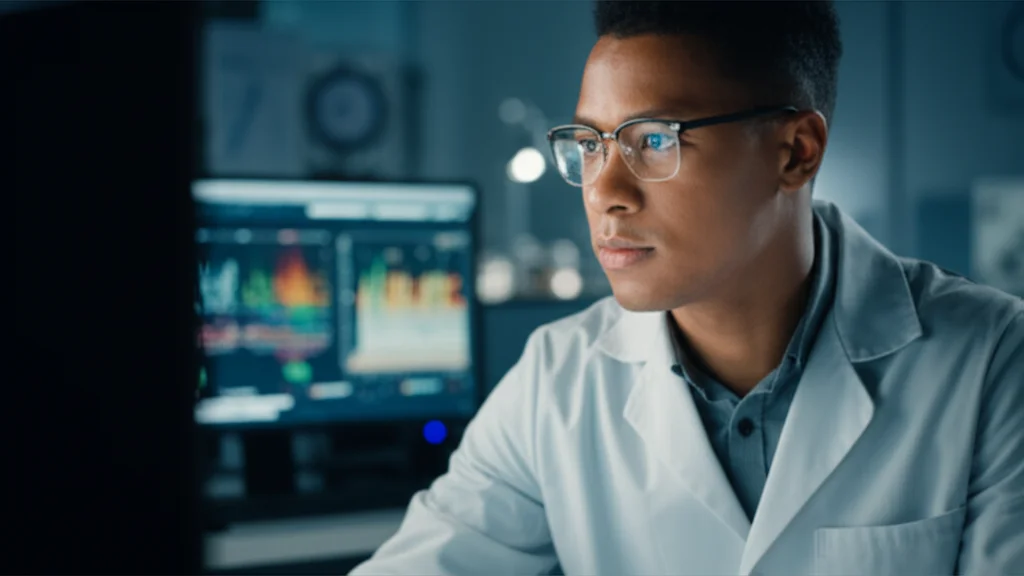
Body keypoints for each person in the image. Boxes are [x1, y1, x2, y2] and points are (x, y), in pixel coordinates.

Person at [350, 1, 1024, 574]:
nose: (604, 192)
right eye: (590, 143)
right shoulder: (558, 377)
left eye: (653, 141)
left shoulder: (992, 360)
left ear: (796, 151)